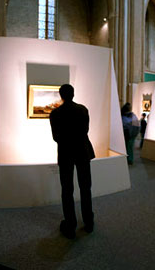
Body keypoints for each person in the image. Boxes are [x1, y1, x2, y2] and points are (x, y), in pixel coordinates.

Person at [49, 84, 95, 239]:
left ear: (61, 95)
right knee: (85, 187)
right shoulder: (83, 110)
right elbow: (85, 130)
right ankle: (89, 222)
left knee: (67, 190)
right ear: (73, 94)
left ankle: (70, 225)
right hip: (82, 151)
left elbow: (56, 137)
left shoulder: (55, 113)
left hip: (66, 153)